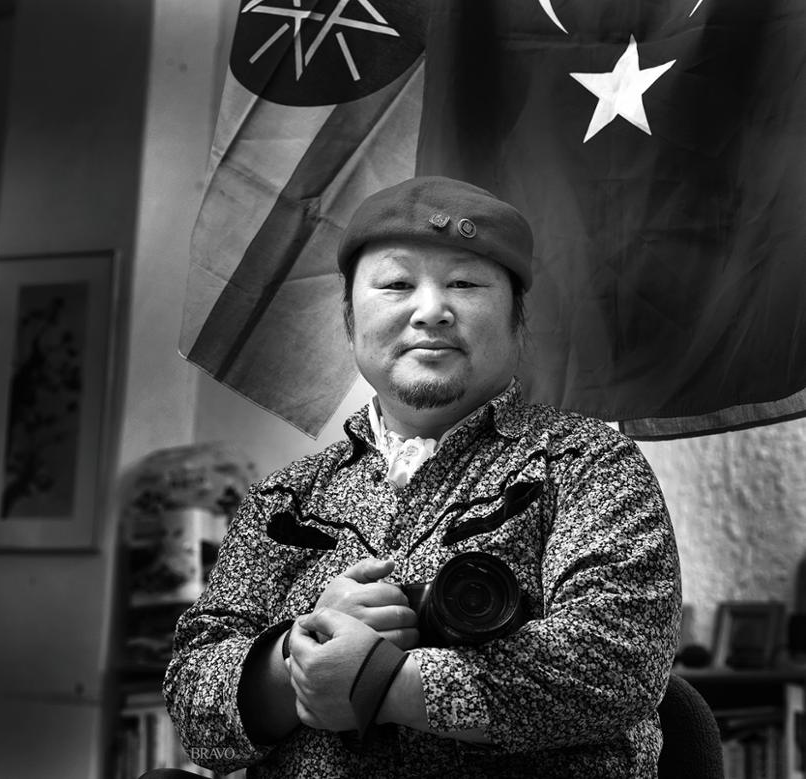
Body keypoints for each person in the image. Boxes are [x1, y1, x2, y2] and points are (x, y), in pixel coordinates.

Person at [163, 176, 682, 777]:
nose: (431, 310)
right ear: (350, 320)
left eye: (464, 283)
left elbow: (616, 663)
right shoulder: (285, 500)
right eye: (396, 284)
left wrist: (383, 683)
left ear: (517, 319)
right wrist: (295, 657)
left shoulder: (587, 463)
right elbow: (193, 705)